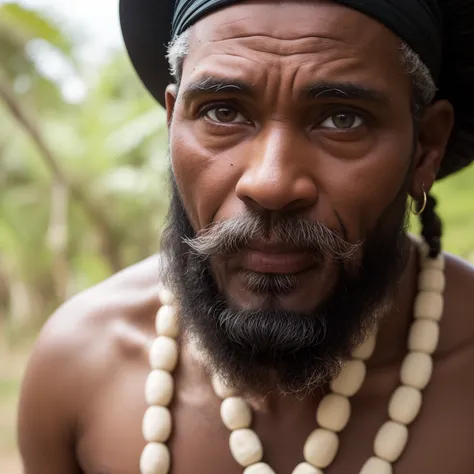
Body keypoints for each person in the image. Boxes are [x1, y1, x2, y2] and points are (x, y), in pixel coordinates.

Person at [17, 0, 474, 473]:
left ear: (425, 149)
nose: (271, 184)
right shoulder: (79, 365)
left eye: (343, 119)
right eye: (222, 111)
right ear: (172, 122)